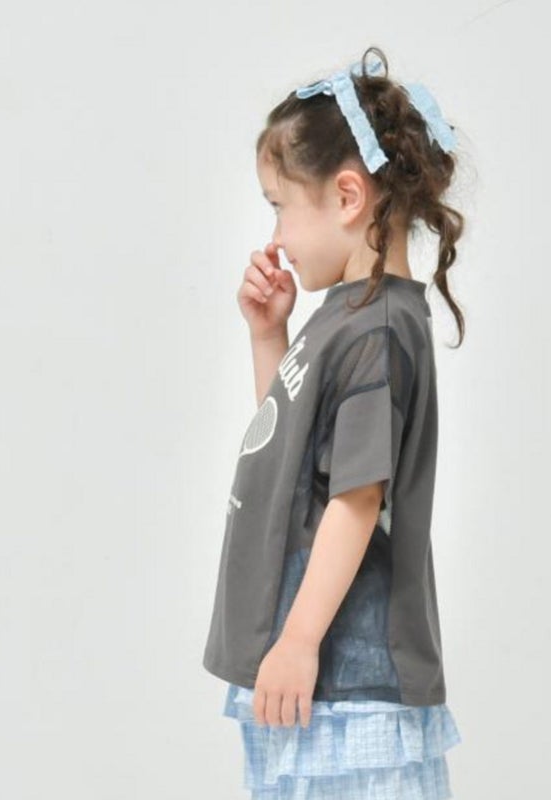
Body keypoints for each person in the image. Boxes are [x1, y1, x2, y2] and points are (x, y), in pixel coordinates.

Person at [203, 45, 467, 800]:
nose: (276, 236)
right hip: (319, 673)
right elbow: (290, 454)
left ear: (348, 196)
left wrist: (298, 640)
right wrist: (269, 336)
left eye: (279, 206)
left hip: (345, 676)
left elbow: (357, 496)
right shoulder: (344, 318)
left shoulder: (375, 328)